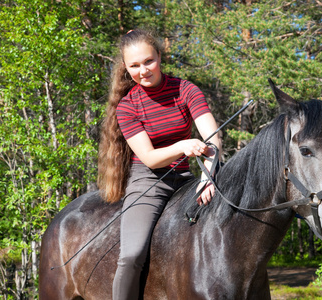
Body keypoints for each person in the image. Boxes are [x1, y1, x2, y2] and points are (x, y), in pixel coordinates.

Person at [97, 28, 221, 300]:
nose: (143, 70)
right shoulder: (127, 106)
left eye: (148, 61)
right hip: (149, 179)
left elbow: (213, 139)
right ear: (126, 67)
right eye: (134, 65)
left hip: (189, 176)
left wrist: (207, 178)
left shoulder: (185, 89)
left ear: (159, 57)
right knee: (132, 255)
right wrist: (181, 146)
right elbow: (151, 157)